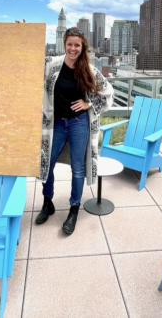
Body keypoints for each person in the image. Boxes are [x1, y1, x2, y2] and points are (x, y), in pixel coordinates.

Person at [36, 26, 114, 234]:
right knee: (46, 162)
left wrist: (89, 104)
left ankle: (73, 209)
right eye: (69, 44)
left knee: (78, 168)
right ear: (64, 45)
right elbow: (29, 62)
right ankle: (47, 202)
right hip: (57, 123)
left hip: (79, 123)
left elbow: (108, 92)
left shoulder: (88, 69)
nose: (72, 48)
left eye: (76, 45)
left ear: (82, 47)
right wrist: (21, 34)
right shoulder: (52, 65)